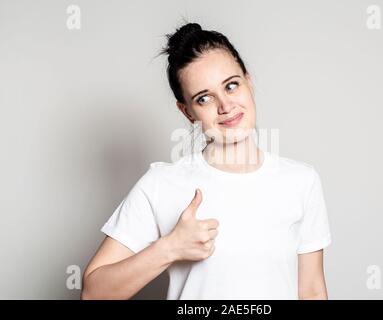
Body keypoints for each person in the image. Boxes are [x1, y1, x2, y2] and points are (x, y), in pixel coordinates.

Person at [81, 22, 332, 300]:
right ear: (187, 112)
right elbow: (94, 293)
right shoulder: (162, 184)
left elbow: (311, 292)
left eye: (232, 86)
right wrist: (170, 248)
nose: (225, 106)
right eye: (204, 98)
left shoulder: (301, 181)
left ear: (248, 81)